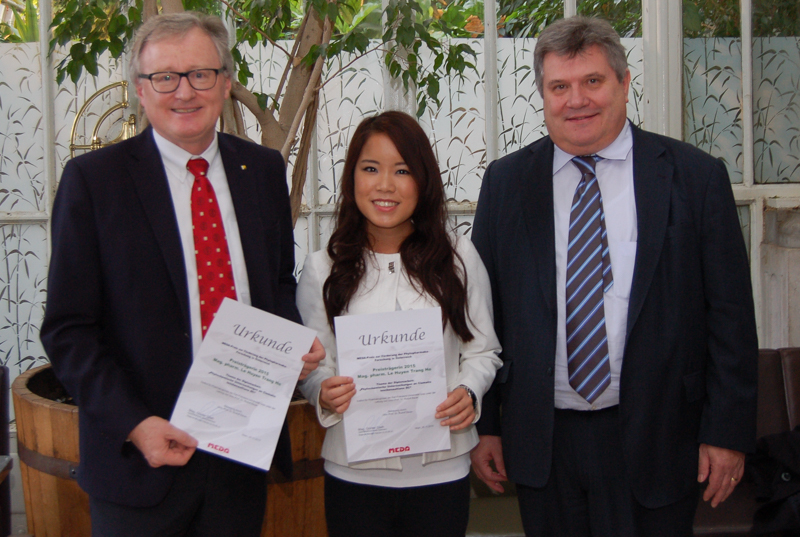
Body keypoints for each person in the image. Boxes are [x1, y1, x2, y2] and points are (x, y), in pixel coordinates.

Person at [470, 16, 758, 537]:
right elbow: (482, 315)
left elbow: (731, 318)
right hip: (543, 443)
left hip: (660, 436)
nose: (576, 100)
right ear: (543, 95)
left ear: (624, 84)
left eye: (592, 81)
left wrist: (726, 432)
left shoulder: (695, 178)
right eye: (560, 86)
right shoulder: (506, 183)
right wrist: (485, 425)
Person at [40, 12, 324, 537]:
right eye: (164, 77)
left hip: (241, 453)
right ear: (140, 90)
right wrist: (133, 424)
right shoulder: (94, 181)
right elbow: (68, 329)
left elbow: (276, 284)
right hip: (140, 462)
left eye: (200, 74)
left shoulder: (262, 171)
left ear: (226, 82)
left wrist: (291, 339)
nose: (185, 91)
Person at [297, 111, 502, 537]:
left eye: (402, 170)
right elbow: (315, 364)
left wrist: (469, 391)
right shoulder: (322, 268)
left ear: (423, 181)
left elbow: (483, 351)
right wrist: (323, 391)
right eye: (371, 169)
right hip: (354, 473)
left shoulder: (459, 258)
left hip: (442, 470)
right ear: (352, 178)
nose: (385, 185)